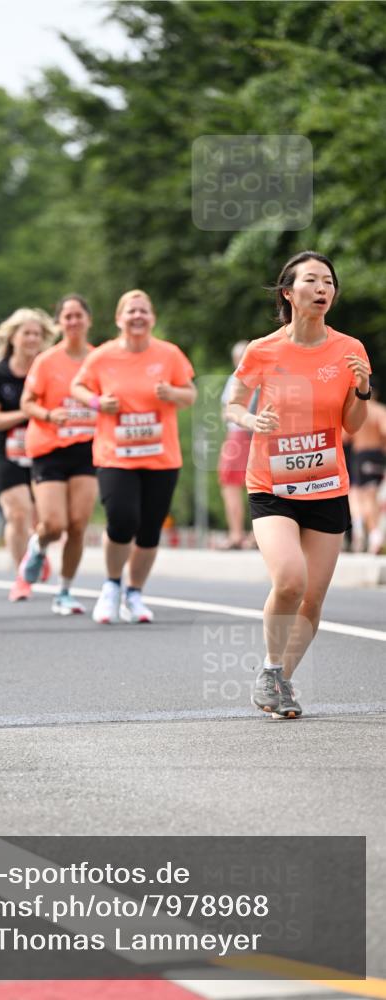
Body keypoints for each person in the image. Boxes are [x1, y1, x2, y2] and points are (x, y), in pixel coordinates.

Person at [227, 251, 372, 720]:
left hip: (327, 484)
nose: (322, 288)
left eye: (328, 281)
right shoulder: (263, 350)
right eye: (311, 280)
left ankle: (278, 682)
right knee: (290, 580)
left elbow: (352, 425)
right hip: (271, 483)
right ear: (288, 293)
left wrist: (363, 391)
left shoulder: (350, 349)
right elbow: (231, 404)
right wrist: (252, 418)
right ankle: (271, 668)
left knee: (313, 597)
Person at [71, 289, 196, 624]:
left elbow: (190, 394)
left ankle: (135, 593)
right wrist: (98, 403)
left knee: (150, 529)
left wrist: (172, 393)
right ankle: (112, 585)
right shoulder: (103, 356)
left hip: (161, 456)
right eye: (131, 311)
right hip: (116, 456)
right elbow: (78, 387)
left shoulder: (169, 355)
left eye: (143, 311)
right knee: (122, 519)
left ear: (152, 318)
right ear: (118, 318)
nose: (137, 316)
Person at [19, 294, 98, 614]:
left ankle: (64, 590)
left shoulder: (99, 358)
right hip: (49, 446)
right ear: (58, 323)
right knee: (54, 524)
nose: (74, 321)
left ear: (88, 320)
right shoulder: (47, 361)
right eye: (67, 316)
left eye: (79, 315)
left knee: (78, 525)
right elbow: (27, 402)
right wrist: (49, 415)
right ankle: (38, 545)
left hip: (87, 447)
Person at [0, 307, 56, 601]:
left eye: (38, 333)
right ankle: (20, 576)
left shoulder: (48, 370)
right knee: (18, 512)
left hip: (42, 451)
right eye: (27, 333)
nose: (32, 339)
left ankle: (36, 551)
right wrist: (24, 413)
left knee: (45, 520)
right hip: (5, 453)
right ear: (13, 337)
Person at [217, 340, 255, 549]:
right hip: (261, 435)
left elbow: (228, 412)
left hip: (240, 434)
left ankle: (236, 535)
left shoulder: (237, 379)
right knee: (259, 485)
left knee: (230, 484)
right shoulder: (267, 376)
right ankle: (254, 536)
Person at [349, 381, 386, 554]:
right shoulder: (380, 411)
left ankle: (365, 530)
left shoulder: (359, 411)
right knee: (368, 495)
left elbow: (344, 435)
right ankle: (372, 534)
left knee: (358, 494)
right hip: (377, 455)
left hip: (360, 455)